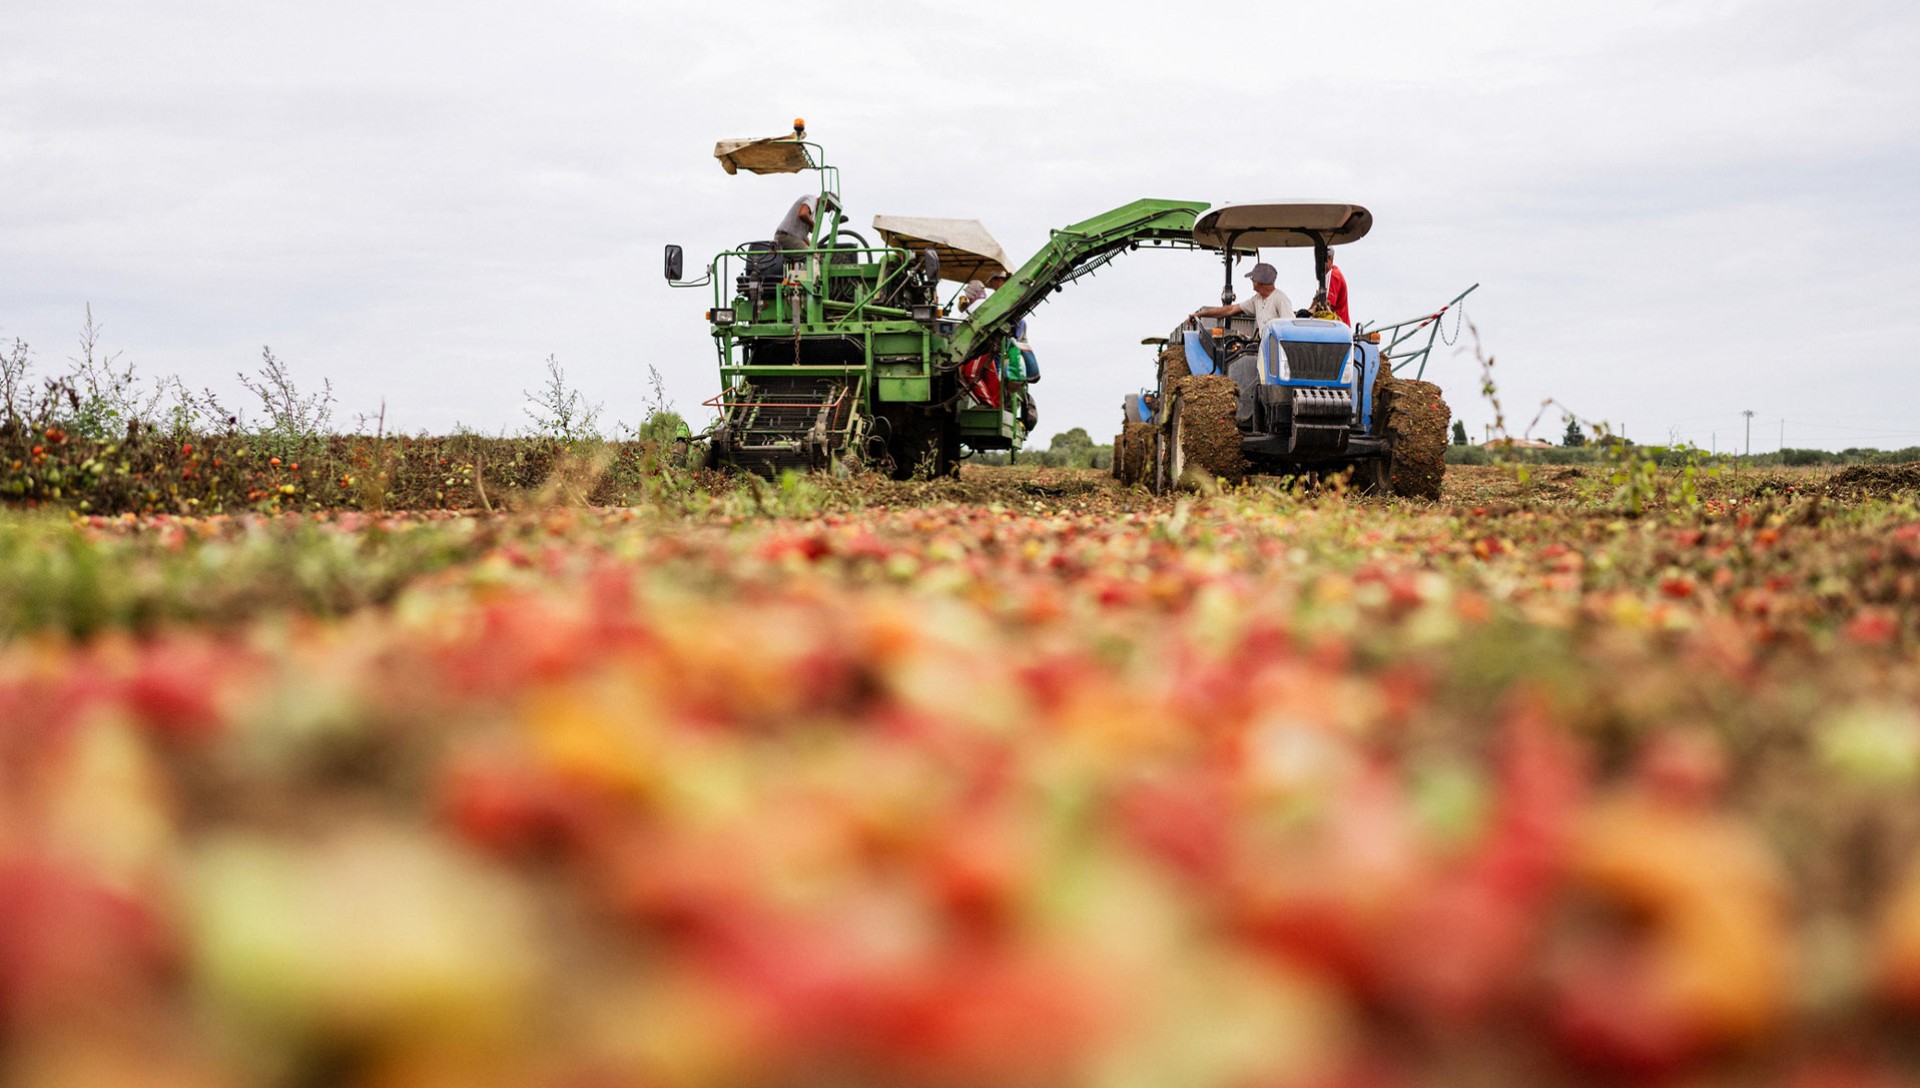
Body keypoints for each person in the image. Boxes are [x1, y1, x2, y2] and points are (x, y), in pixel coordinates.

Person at [1191, 262, 1295, 338]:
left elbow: (1290, 330)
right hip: (1264, 349)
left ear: (1258, 281)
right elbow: (1230, 310)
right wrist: (1200, 314)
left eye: (1252, 278)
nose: (1251, 281)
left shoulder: (1280, 299)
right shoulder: (1257, 300)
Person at [1319, 249, 1350, 324]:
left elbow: (1325, 306)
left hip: (1337, 327)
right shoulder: (1333, 274)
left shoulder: (1332, 275)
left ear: (1329, 259)